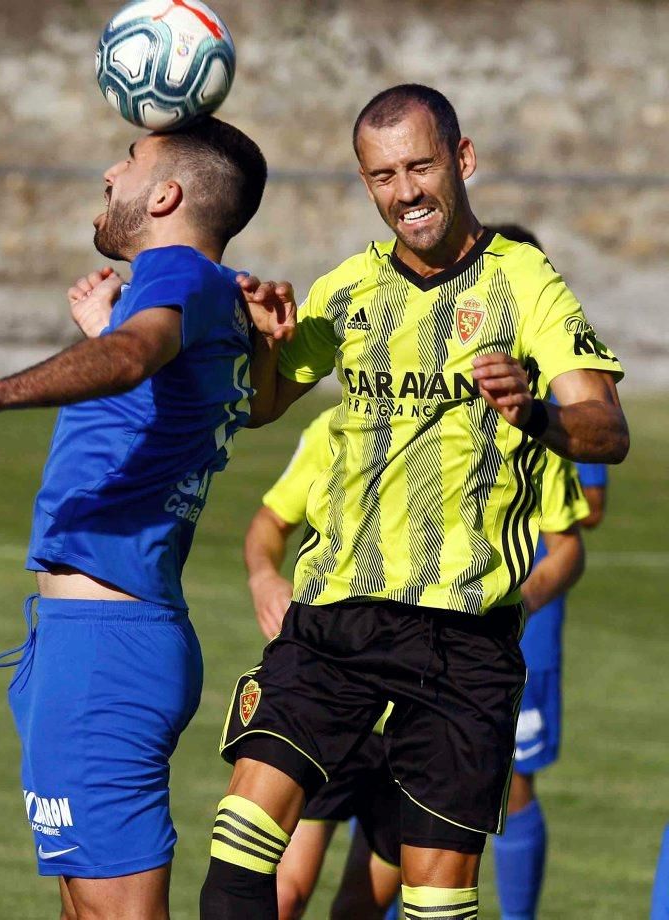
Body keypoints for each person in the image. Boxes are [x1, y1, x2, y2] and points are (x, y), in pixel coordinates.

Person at [199, 83, 628, 920]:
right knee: (238, 858)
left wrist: (534, 411)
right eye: (382, 176)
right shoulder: (349, 289)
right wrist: (265, 341)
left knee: (435, 907)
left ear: (461, 161)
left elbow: (606, 429)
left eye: (420, 166)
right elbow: (259, 405)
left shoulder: (524, 281)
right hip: (339, 618)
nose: (405, 192)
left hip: (463, 643)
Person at [0, 117, 267, 920]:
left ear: (166, 195)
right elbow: (156, 380)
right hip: (94, 642)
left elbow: (135, 356)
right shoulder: (213, 299)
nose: (108, 172)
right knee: (83, 906)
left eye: (129, 162)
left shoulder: (180, 276)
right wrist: (107, 335)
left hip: (104, 654)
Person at [244, 406, 592, 920]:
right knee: (285, 893)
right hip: (336, 701)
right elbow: (270, 522)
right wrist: (264, 578)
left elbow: (568, 545)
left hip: (429, 715)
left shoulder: (522, 429)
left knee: (365, 907)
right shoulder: (346, 422)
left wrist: (516, 602)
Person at [484, 226, 609, 920]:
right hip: (422, 600)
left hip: (528, 614)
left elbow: (590, 505)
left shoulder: (562, 381)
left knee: (512, 780)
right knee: (394, 771)